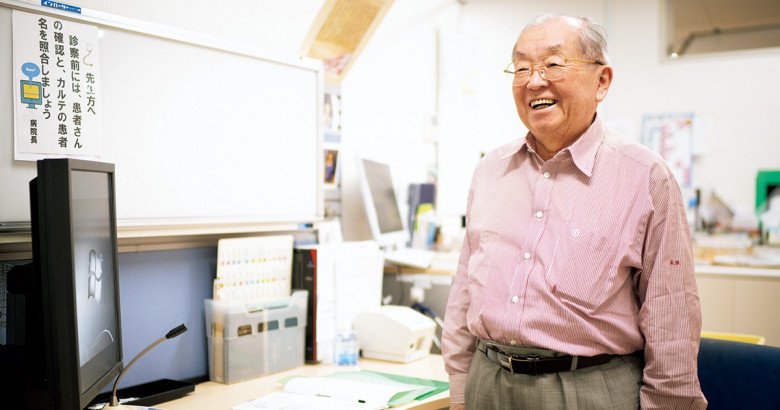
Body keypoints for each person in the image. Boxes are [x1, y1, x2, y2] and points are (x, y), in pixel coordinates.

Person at [442, 13, 707, 409]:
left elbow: (671, 320)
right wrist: (461, 389)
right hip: (488, 381)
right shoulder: (490, 170)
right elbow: (465, 289)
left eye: (553, 64)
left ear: (602, 81)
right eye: (521, 67)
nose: (534, 81)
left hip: (589, 387)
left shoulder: (645, 176)